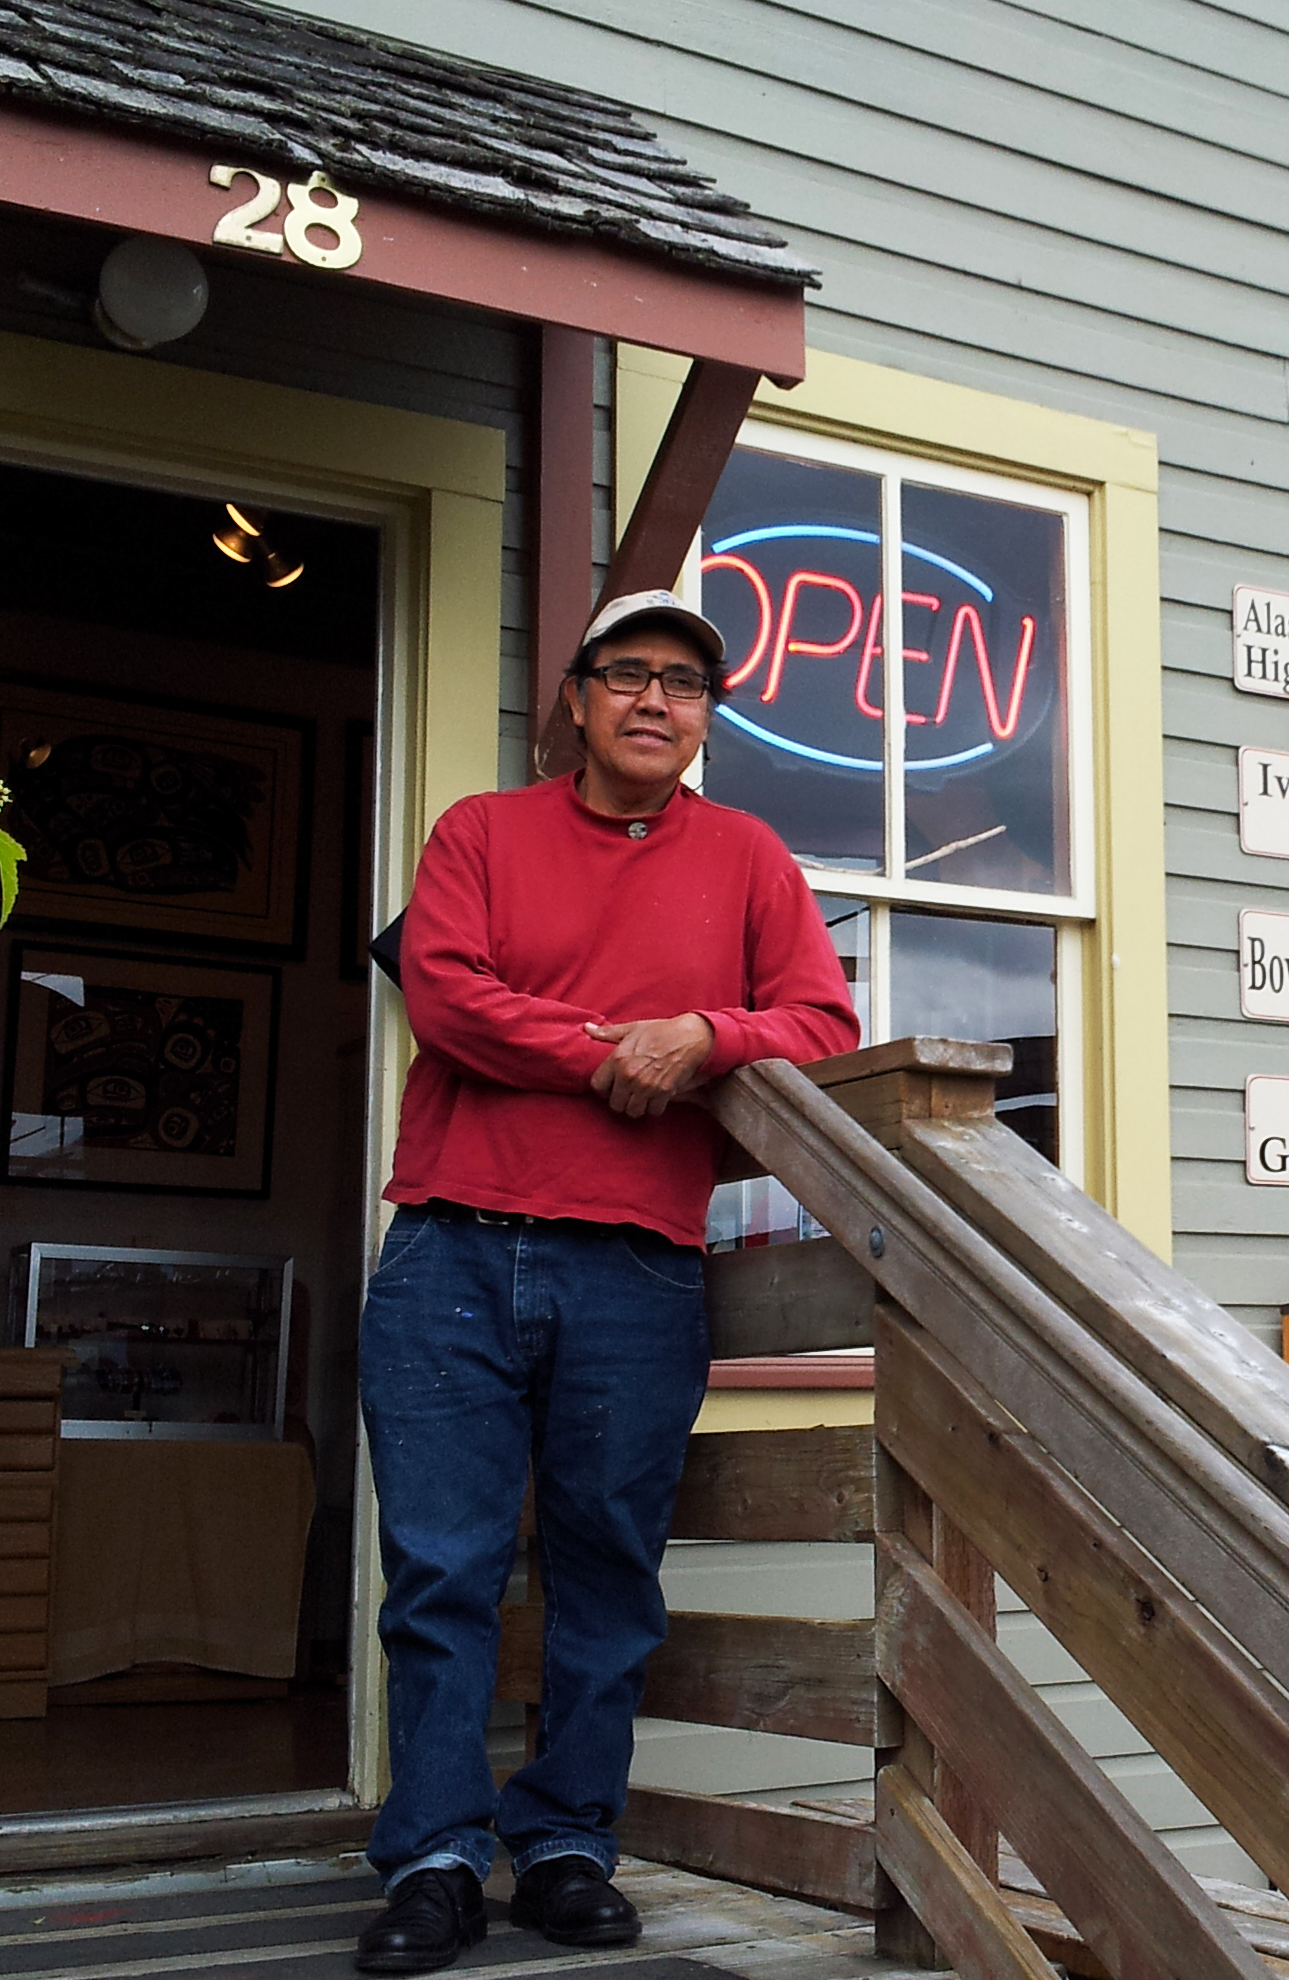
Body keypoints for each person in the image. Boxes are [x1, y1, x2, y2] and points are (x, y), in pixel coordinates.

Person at [352, 591, 860, 1974]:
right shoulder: (481, 833)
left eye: (685, 684)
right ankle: (439, 1857)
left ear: (705, 720)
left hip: (636, 1265)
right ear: (575, 700)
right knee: (441, 1571)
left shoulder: (748, 857)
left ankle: (568, 1843)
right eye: (627, 674)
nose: (655, 700)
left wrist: (702, 1032)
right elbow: (449, 994)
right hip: (452, 1248)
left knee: (606, 1573)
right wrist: (606, 1054)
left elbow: (822, 1019)